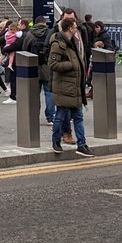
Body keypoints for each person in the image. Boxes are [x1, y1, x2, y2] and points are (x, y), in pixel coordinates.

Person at [49, 16, 92, 156]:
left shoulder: (74, 42)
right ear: (69, 29)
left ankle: (82, 144)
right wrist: (71, 65)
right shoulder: (58, 44)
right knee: (60, 116)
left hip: (75, 87)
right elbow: (52, 64)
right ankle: (56, 142)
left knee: (78, 117)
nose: (76, 29)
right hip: (64, 87)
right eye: (74, 27)